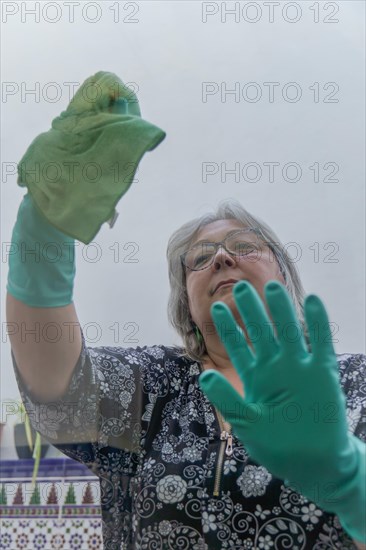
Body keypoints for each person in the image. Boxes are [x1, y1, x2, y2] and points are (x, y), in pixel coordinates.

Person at [6, 195, 366, 550]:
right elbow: (59, 388)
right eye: (201, 258)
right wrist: (43, 231)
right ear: (187, 306)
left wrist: (351, 480)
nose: (223, 258)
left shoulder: (356, 382)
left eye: (244, 245)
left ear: (284, 277)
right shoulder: (153, 382)